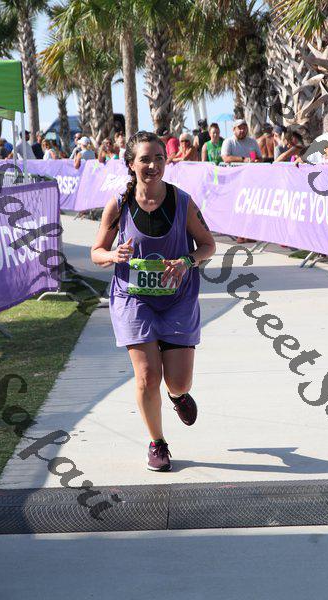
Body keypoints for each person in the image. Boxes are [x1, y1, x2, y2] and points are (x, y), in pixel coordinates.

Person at [91, 131, 216, 471]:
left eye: (159, 158)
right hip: (133, 299)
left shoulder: (182, 202)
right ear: (131, 164)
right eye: (144, 159)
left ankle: (178, 396)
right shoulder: (119, 204)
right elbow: (96, 251)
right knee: (147, 376)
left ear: (166, 161)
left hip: (177, 298)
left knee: (178, 380)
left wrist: (187, 261)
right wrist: (113, 255)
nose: (153, 165)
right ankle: (157, 443)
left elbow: (208, 245)